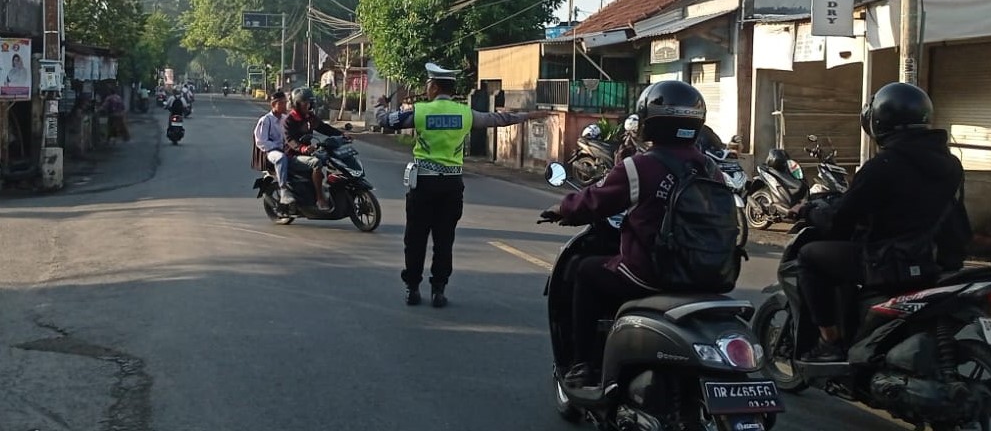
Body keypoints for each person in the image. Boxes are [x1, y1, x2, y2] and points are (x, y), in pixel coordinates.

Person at [540, 79, 725, 389]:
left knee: (583, 271)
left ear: (649, 122)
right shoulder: (710, 168)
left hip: (651, 273)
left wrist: (563, 208)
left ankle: (583, 363)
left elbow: (595, 200)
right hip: (708, 272)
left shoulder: (641, 166)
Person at [791, 81, 965, 363]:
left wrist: (808, 212)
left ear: (879, 123)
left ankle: (830, 341)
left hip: (889, 262)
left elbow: (842, 221)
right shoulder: (950, 164)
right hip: (936, 260)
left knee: (810, 257)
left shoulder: (882, 166)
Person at [379, 62, 551, 308]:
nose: (427, 89)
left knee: (415, 239)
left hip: (424, 185)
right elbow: (500, 119)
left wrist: (380, 106)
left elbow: (387, 121)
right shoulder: (465, 114)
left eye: (428, 85)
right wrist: (529, 115)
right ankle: (439, 290)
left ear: (435, 87)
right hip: (451, 186)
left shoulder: (420, 112)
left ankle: (413, 288)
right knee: (444, 239)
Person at [283, 87, 342, 211]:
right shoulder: (289, 120)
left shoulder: (309, 117)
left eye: (310, 102)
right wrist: (302, 148)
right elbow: (290, 140)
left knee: (330, 158)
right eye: (305, 102)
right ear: (297, 104)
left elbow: (324, 128)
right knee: (316, 163)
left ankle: (331, 191)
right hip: (292, 156)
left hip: (308, 152)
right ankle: (320, 198)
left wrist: (341, 135)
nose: (308, 105)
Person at [254, 90, 293, 203]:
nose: (284, 106)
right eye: (281, 103)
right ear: (273, 104)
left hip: (286, 149)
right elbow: (261, 141)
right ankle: (283, 190)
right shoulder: (266, 120)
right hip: (271, 152)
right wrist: (278, 147)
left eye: (285, 103)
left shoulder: (286, 119)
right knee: (281, 158)